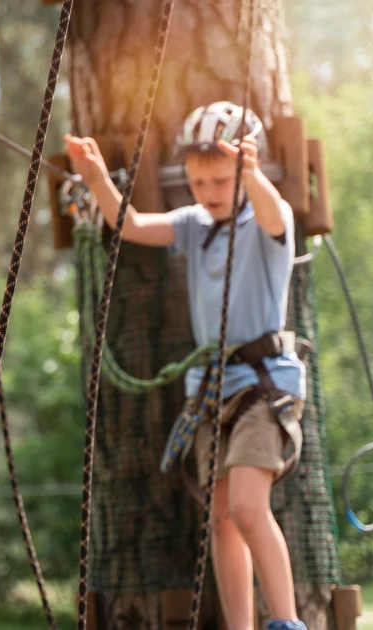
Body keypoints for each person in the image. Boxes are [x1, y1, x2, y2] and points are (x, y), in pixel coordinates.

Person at [65, 102, 307, 630]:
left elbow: (269, 211)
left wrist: (252, 176)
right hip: (213, 391)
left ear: (246, 171)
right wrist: (97, 176)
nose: (208, 191)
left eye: (220, 180)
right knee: (220, 517)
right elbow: (128, 224)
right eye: (197, 181)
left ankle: (287, 621)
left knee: (246, 505)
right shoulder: (195, 224)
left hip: (264, 387)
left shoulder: (270, 219)